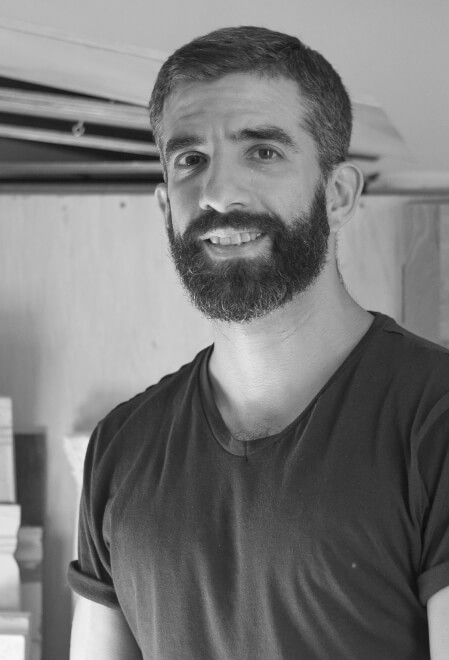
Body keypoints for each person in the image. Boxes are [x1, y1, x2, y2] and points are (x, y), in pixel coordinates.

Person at [68, 26, 449, 660]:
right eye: (191, 159)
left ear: (338, 195)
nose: (218, 194)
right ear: (165, 206)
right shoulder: (120, 448)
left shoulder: (433, 420)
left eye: (263, 152)